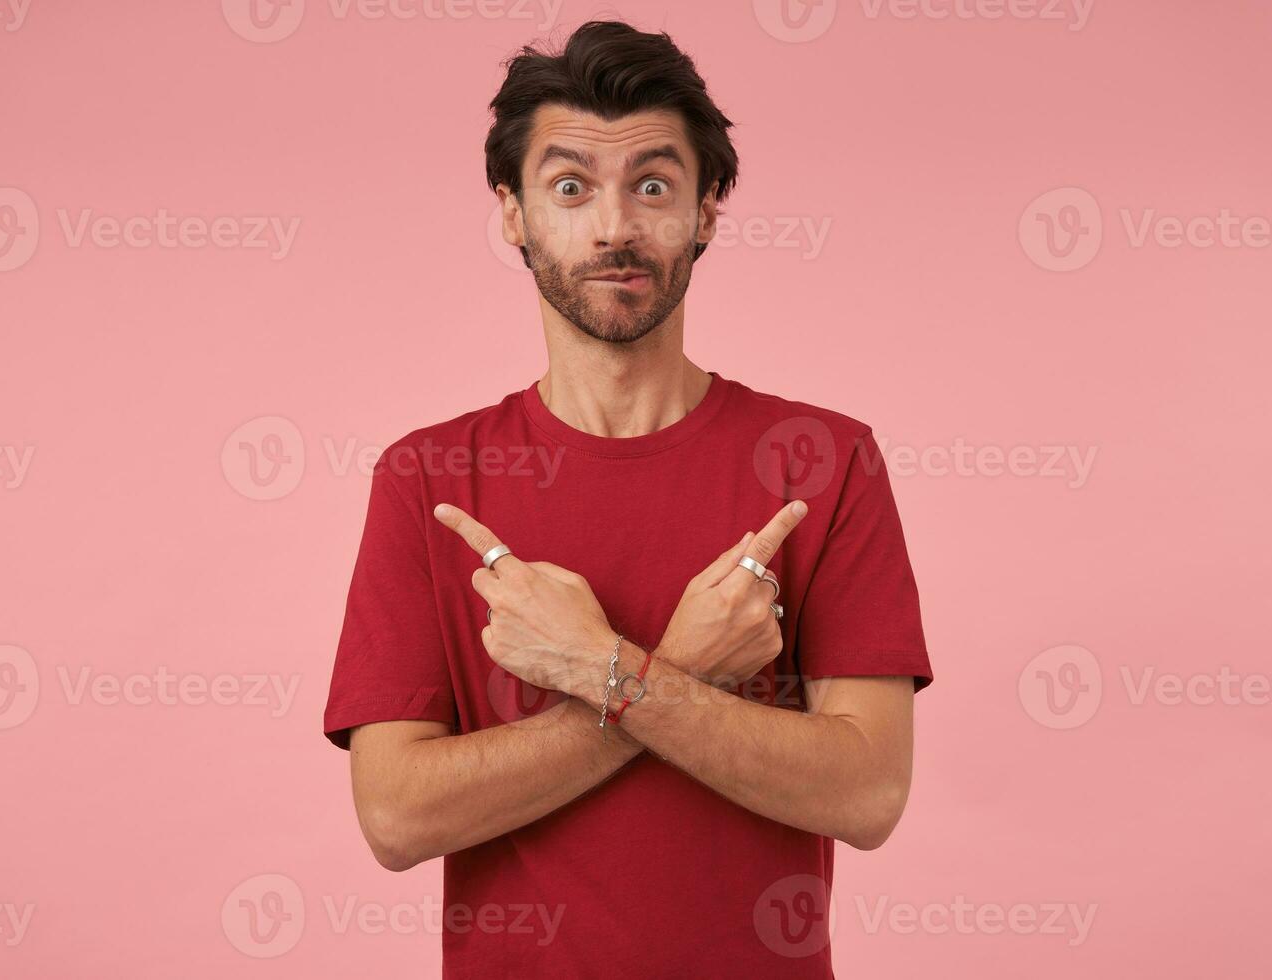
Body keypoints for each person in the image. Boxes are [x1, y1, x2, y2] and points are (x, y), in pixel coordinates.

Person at [323, 19, 933, 978]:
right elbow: (397, 816)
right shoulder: (426, 479)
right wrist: (677, 667)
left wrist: (605, 670)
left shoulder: (823, 462)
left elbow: (867, 795)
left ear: (706, 211)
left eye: (653, 185)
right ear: (514, 212)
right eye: (570, 188)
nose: (614, 227)